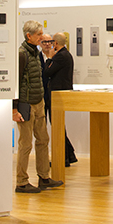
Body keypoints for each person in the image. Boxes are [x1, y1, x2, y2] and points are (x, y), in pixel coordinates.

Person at [13, 20, 62, 193]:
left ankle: (44, 177)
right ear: (29, 36)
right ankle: (21, 182)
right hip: (26, 104)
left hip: (38, 102)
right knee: (25, 144)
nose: (42, 37)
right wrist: (14, 109)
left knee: (43, 140)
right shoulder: (22, 54)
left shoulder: (36, 53)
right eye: (39, 34)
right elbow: (16, 82)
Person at [42, 31, 77, 166]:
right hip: (58, 94)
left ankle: (64, 157)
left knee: (57, 126)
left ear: (55, 43)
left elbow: (47, 72)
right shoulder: (66, 55)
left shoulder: (60, 56)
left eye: (51, 42)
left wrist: (49, 59)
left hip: (57, 95)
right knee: (58, 126)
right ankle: (69, 155)